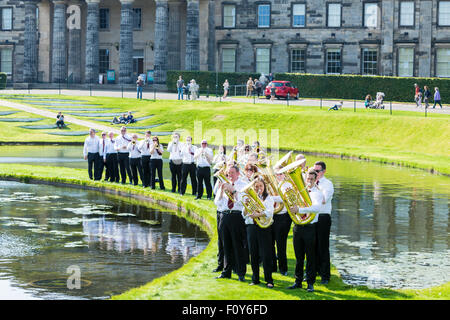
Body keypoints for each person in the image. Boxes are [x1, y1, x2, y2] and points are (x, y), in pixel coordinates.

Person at [287, 168, 322, 293]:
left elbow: (317, 208)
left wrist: (300, 210)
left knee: (310, 257)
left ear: (315, 179)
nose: (309, 181)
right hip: (298, 227)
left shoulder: (317, 193)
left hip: (309, 227)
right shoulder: (299, 192)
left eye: (312, 179)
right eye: (308, 179)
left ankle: (310, 283)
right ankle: (297, 281)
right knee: (298, 257)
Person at [216, 165, 247, 282]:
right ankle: (226, 271)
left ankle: (241, 272)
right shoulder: (224, 184)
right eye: (228, 173)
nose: (230, 175)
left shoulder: (243, 185)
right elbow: (217, 203)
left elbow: (243, 202)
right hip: (224, 215)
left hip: (236, 216)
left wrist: (233, 191)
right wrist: (221, 192)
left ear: (238, 174)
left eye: (232, 173)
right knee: (225, 245)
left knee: (238, 245)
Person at [244, 177, 275, 288]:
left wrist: (258, 214)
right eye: (256, 186)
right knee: (254, 254)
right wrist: (247, 206)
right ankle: (255, 279)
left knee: (266, 254)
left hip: (264, 228)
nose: (258, 189)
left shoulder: (268, 198)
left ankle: (269, 280)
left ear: (264, 187)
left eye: (260, 186)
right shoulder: (249, 198)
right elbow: (244, 215)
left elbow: (270, 212)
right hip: (252, 227)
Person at [313, 161, 334, 285]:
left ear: (324, 171)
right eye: (314, 170)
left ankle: (325, 275)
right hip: (312, 216)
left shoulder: (328, 184)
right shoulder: (310, 183)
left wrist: (314, 188)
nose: (315, 173)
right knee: (311, 246)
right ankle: (312, 271)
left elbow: (324, 200)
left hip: (323, 217)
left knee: (323, 247)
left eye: (318, 171)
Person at [271, 168, 292, 276]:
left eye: (280, 174)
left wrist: (270, 198)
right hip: (273, 216)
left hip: (283, 217)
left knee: (281, 243)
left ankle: (283, 268)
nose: (278, 176)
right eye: (276, 174)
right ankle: (273, 267)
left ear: (284, 174)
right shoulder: (273, 183)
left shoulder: (287, 184)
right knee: (270, 243)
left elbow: (284, 198)